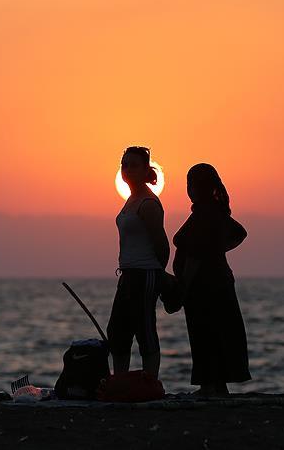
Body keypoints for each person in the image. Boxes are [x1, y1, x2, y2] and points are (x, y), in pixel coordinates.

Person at [173, 163, 250, 396]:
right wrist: (218, 251)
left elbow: (196, 254)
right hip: (219, 281)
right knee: (217, 332)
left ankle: (209, 385)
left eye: (191, 184)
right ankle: (217, 385)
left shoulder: (205, 213)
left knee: (204, 333)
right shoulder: (214, 211)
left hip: (203, 284)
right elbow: (238, 233)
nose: (188, 189)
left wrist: (184, 284)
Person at [107, 146, 170, 377]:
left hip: (145, 274)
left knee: (145, 330)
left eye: (134, 165)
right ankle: (120, 381)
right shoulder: (130, 200)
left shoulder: (149, 204)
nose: (128, 169)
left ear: (146, 170)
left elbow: (162, 245)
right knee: (117, 331)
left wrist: (159, 275)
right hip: (127, 274)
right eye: (125, 165)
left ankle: (151, 381)